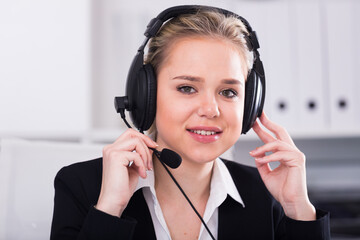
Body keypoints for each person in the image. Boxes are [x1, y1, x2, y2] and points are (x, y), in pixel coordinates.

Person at [50, 5, 330, 240]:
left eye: (228, 92)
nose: (210, 109)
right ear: (145, 96)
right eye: (187, 88)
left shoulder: (267, 196)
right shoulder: (82, 187)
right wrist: (110, 209)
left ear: (250, 106)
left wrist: (297, 210)